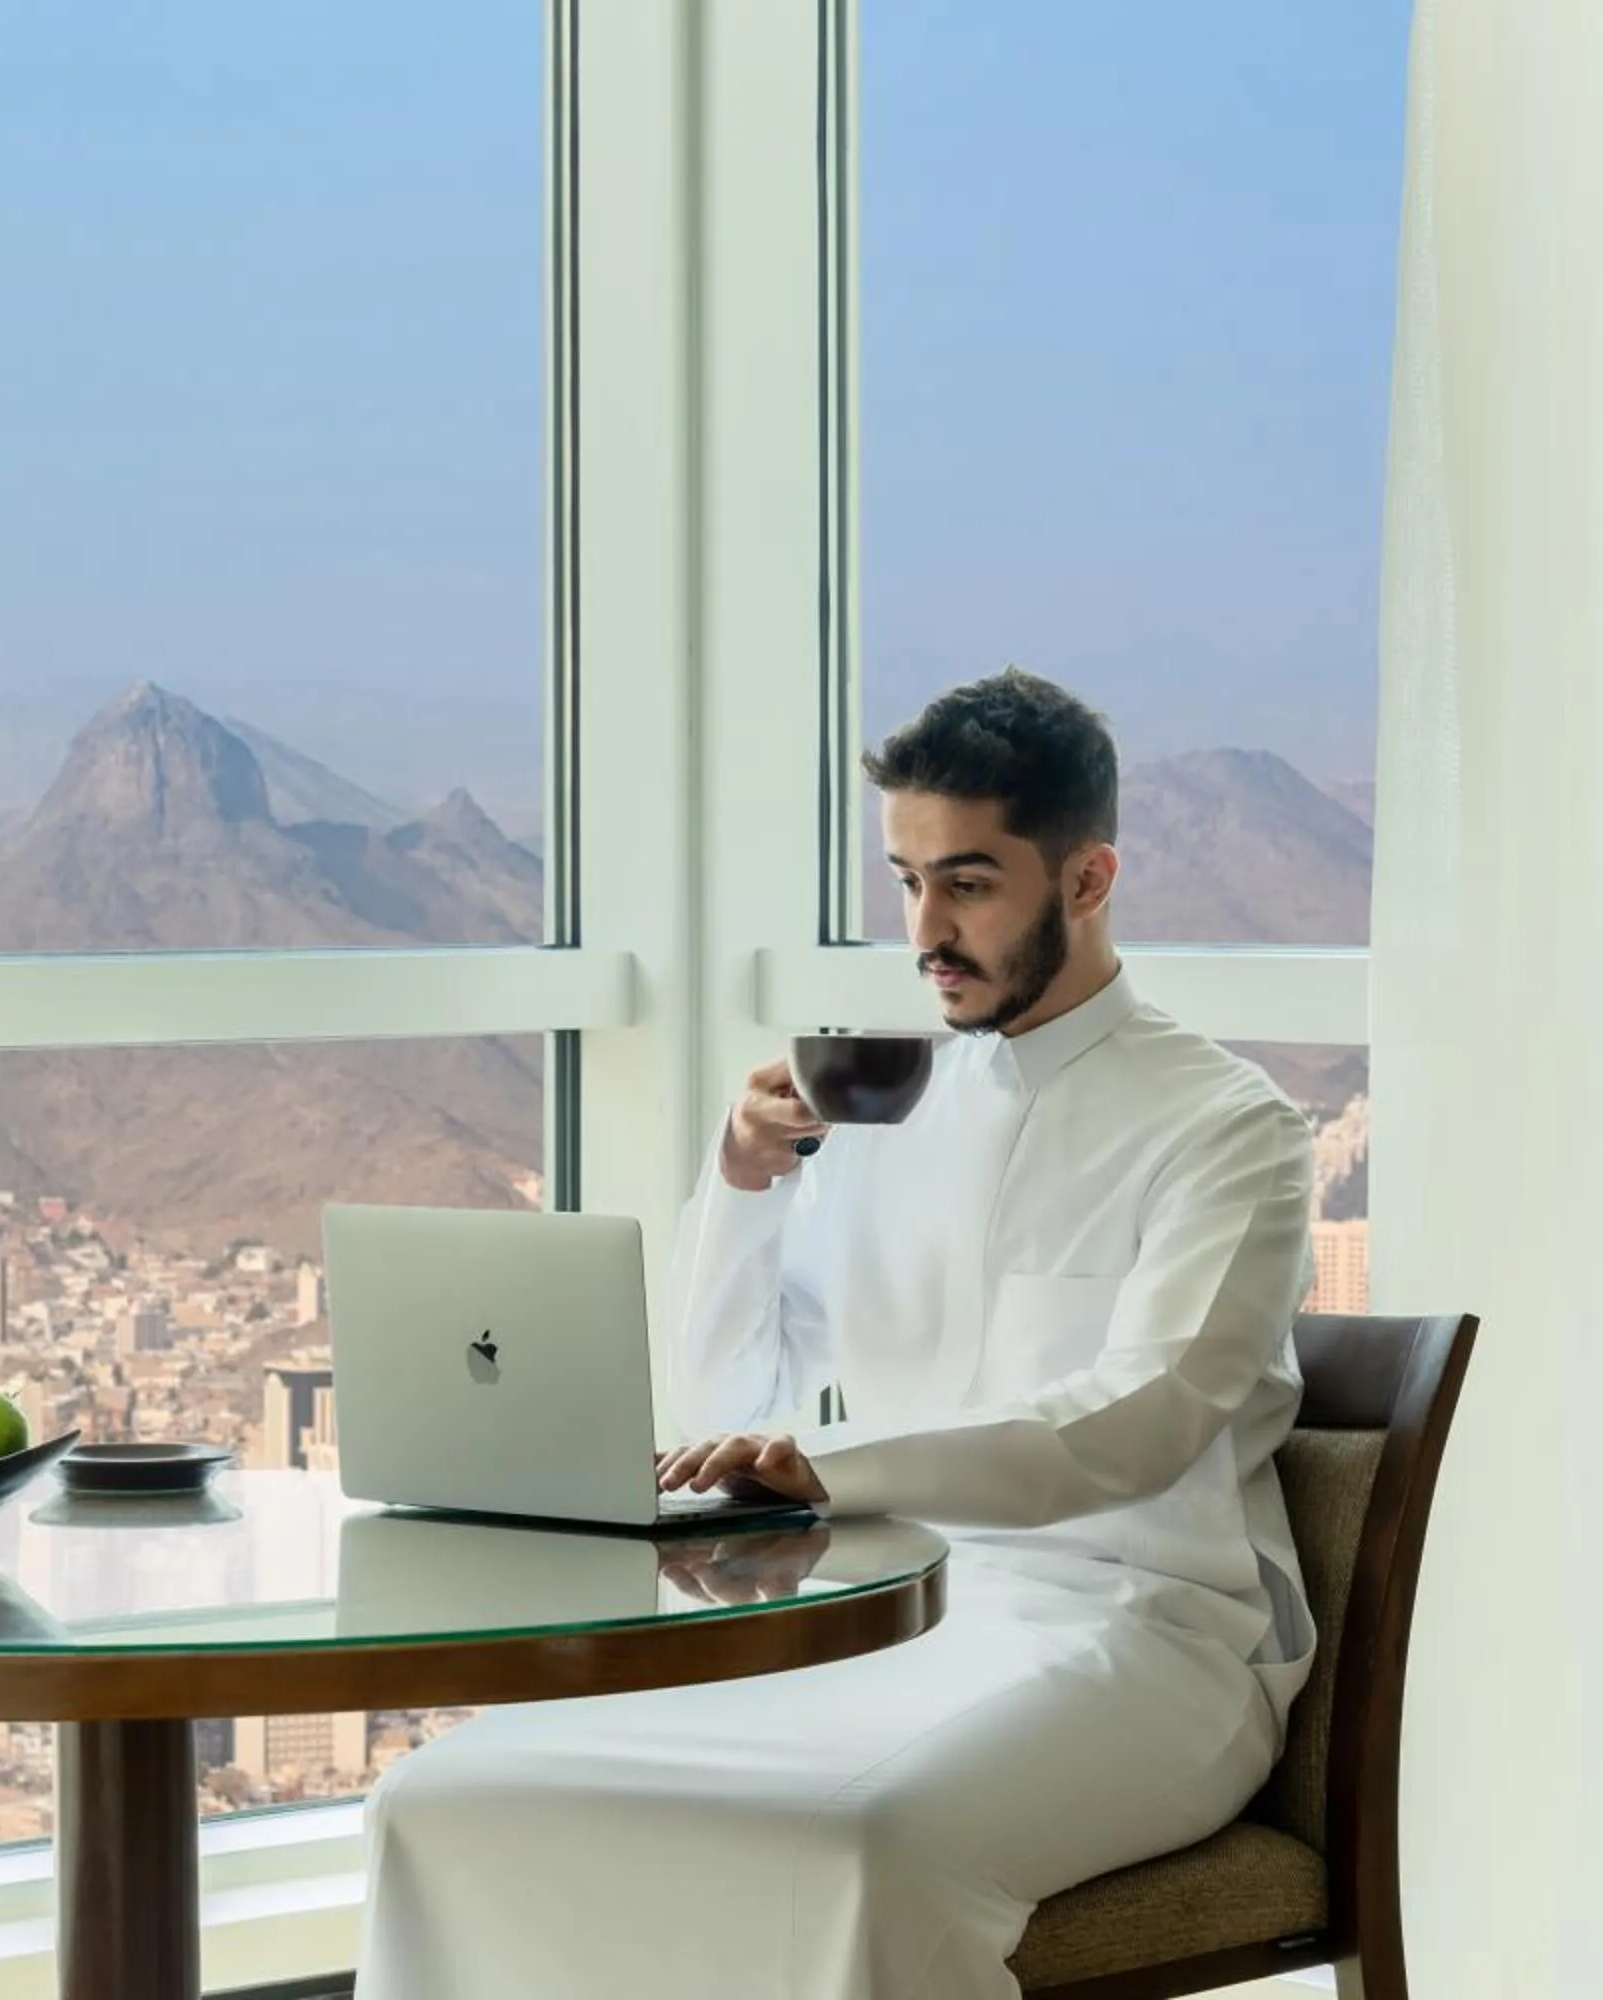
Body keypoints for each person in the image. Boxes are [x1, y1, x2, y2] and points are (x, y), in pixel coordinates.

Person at [358, 670, 1318, 1999]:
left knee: (867, 1841)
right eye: (908, 878)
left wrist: (831, 1466)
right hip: (869, 1619)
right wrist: (747, 1185)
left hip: (1145, 1644)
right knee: (452, 1795)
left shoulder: (1232, 1132)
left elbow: (1137, 1425)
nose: (926, 927)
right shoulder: (880, 1104)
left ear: (1089, 878)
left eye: (971, 882)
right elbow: (728, 1396)